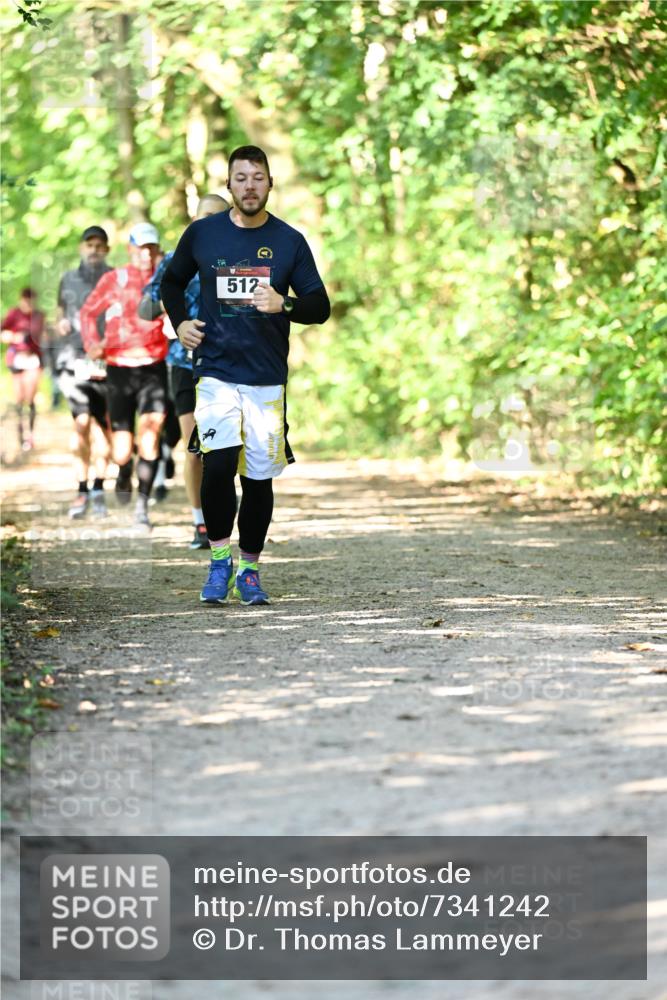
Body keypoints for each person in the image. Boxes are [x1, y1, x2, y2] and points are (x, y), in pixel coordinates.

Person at [161, 145, 330, 605]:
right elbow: (170, 283)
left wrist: (285, 304)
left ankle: (250, 568)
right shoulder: (202, 235)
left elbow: (320, 305)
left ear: (270, 183)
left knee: (257, 480)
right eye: (241, 178)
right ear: (229, 184)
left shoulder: (289, 241)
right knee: (217, 466)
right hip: (215, 371)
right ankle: (219, 563)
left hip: (266, 378)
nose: (250, 185)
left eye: (258, 177)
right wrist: (180, 322)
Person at [138, 193, 229, 549]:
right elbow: (145, 308)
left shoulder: (236, 260)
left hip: (228, 364)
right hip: (182, 362)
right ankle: (200, 523)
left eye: (218, 217)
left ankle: (222, 511)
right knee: (195, 447)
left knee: (223, 449)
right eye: (205, 216)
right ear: (194, 219)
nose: (210, 223)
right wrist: (171, 308)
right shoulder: (175, 260)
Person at [80, 222, 168, 529]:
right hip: (118, 369)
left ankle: (142, 509)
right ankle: (123, 468)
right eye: (141, 248)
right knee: (121, 449)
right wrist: (92, 344)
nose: (146, 254)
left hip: (153, 367)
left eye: (151, 248)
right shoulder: (114, 278)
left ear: (157, 250)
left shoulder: (165, 278)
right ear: (130, 249)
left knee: (151, 436)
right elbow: (88, 313)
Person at [55, 225, 113, 519]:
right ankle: (81, 489)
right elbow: (60, 313)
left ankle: (99, 488)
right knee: (81, 422)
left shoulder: (117, 279)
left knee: (105, 429)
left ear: (107, 249)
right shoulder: (68, 279)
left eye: (99, 245)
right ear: (82, 248)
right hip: (74, 358)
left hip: (109, 359)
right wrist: (61, 324)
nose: (94, 250)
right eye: (89, 244)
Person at [1, 287, 45, 451]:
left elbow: (41, 336)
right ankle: (20, 433)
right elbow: (3, 333)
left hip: (33, 359)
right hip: (16, 359)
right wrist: (14, 337)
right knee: (19, 398)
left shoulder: (39, 316)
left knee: (30, 397)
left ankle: (30, 435)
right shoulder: (14, 314)